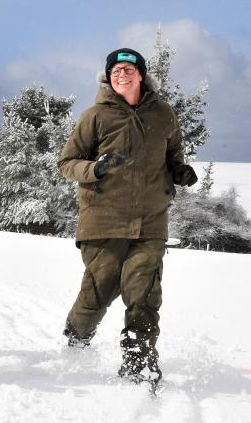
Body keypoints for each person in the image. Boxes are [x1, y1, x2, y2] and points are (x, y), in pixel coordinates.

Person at [57, 48, 198, 386]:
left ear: (141, 75)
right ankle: (77, 336)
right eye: (116, 70)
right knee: (99, 290)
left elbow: (173, 155)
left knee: (144, 292)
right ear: (108, 77)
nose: (122, 75)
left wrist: (180, 171)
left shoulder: (163, 114)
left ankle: (139, 361)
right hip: (103, 220)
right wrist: (95, 168)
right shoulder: (95, 116)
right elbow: (67, 163)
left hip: (151, 222)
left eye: (128, 69)